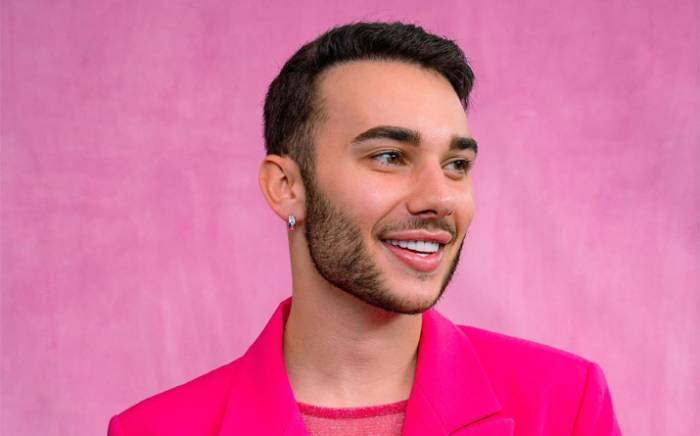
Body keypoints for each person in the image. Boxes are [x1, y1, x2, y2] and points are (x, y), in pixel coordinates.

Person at [108, 22, 622, 435]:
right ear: (285, 186)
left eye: (456, 165)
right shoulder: (153, 430)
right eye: (390, 156)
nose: (439, 198)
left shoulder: (564, 406)